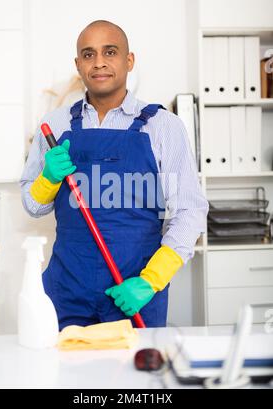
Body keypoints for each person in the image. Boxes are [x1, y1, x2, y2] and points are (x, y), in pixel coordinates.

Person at [20, 20, 209, 329]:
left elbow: (190, 211)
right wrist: (48, 179)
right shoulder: (54, 125)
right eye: (88, 54)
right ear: (78, 64)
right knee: (63, 377)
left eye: (110, 52)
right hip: (66, 292)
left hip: (134, 293)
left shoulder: (164, 126)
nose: (99, 63)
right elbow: (33, 205)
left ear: (129, 60)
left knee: (135, 377)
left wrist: (150, 281)